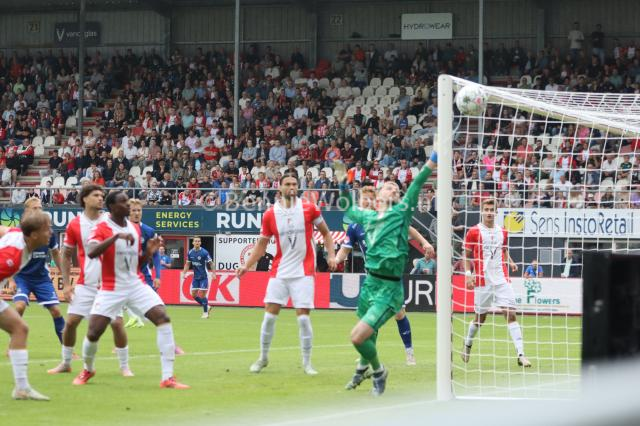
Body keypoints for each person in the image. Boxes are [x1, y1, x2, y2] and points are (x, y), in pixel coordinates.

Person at [339, 151, 437, 396]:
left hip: (389, 289)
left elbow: (418, 181)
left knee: (357, 337)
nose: (394, 189)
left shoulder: (401, 212)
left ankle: (378, 370)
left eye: (397, 188)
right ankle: (364, 368)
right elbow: (347, 206)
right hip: (370, 284)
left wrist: (435, 156)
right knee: (367, 335)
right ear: (379, 194)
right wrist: (342, 183)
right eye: (389, 187)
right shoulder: (367, 216)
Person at [73, 190, 188, 389]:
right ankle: (87, 369)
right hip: (111, 287)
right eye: (124, 202)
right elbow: (91, 252)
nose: (128, 205)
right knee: (94, 332)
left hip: (135, 284)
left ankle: (167, 377)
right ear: (112, 207)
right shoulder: (102, 227)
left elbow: (137, 263)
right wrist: (115, 237)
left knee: (162, 317)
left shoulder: (134, 229)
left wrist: (149, 253)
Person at [236, 172, 337, 376]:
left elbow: (326, 233)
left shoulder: (309, 208)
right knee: (269, 318)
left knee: (303, 319)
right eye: (287, 184)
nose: (291, 187)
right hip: (280, 272)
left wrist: (331, 255)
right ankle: (263, 358)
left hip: (304, 272)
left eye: (294, 184)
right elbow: (261, 245)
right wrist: (247, 265)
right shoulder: (270, 214)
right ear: (279, 187)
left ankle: (307, 363)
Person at [335, 185, 434, 366]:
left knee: (399, 314)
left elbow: (409, 229)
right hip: (372, 278)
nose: (366, 202)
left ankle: (409, 352)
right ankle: (368, 356)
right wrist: (335, 260)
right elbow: (345, 250)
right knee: (370, 317)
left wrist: (425, 242)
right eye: (363, 199)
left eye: (369, 198)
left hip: (390, 276)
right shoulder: (355, 226)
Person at [48, 184, 133, 377]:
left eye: (102, 195)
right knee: (71, 322)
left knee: (117, 324)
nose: (101, 198)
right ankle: (66, 363)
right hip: (86, 284)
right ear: (84, 199)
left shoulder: (112, 220)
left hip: (110, 284)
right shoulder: (74, 224)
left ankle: (124, 366)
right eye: (96, 195)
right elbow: (66, 255)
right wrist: (67, 284)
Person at [462, 198, 531, 368]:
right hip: (482, 281)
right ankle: (467, 344)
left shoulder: (503, 231)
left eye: (491, 209)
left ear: (496, 212)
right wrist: (468, 274)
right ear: (482, 211)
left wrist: (511, 262)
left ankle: (521, 354)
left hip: (501, 280)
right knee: (480, 319)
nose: (489, 212)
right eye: (486, 209)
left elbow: (503, 250)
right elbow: (466, 255)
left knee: (511, 314)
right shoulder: (473, 232)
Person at [0, 212, 52, 400]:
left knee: (20, 329)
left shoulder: (16, 233)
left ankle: (22, 389)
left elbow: (2, 229)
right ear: (34, 235)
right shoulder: (12, 257)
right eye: (47, 229)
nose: (51, 233)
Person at [11, 198, 65, 344]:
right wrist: (11, 281)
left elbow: (56, 253)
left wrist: (65, 277)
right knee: (19, 306)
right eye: (35, 208)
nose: (39, 211)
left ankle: (68, 350)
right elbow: (8, 258)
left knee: (56, 311)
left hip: (42, 278)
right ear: (26, 211)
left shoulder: (48, 231)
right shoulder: (17, 233)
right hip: (22, 277)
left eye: (40, 208)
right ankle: (13, 342)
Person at [124, 199, 162, 328]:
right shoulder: (120, 229)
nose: (136, 213)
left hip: (142, 274)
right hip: (122, 274)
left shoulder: (148, 231)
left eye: (139, 210)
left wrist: (158, 276)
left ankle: (136, 316)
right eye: (133, 210)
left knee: (158, 309)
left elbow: (156, 254)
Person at [182, 237, 215, 319]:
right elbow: (187, 264)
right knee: (193, 294)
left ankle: (205, 313)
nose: (197, 242)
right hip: (196, 277)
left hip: (204, 276)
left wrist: (214, 273)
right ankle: (207, 306)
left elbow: (211, 263)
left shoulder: (204, 252)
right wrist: (184, 273)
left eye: (199, 241)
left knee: (202, 295)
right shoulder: (190, 252)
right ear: (193, 243)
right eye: (196, 241)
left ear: (200, 243)